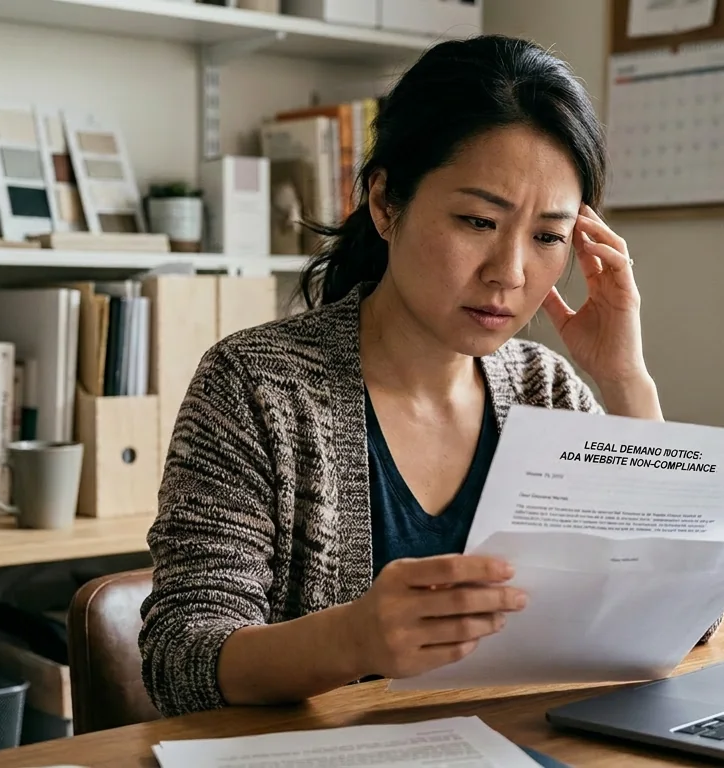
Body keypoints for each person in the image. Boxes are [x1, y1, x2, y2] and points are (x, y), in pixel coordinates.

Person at [138, 33, 667, 719]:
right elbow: (180, 659)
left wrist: (626, 381)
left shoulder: (548, 391)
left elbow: (671, 620)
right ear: (386, 203)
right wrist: (353, 639)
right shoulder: (256, 386)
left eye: (547, 237)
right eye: (478, 221)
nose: (509, 273)